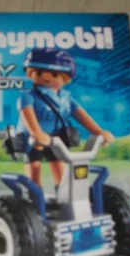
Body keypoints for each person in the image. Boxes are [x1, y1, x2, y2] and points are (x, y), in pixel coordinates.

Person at [16, 47, 114, 188]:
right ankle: (33, 196)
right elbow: (27, 113)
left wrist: (98, 131)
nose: (46, 77)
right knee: (34, 166)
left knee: (59, 166)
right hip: (34, 138)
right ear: (31, 72)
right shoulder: (28, 96)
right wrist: (36, 133)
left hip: (58, 138)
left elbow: (81, 115)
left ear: (65, 77)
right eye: (39, 72)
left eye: (54, 74)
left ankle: (62, 193)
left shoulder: (66, 98)